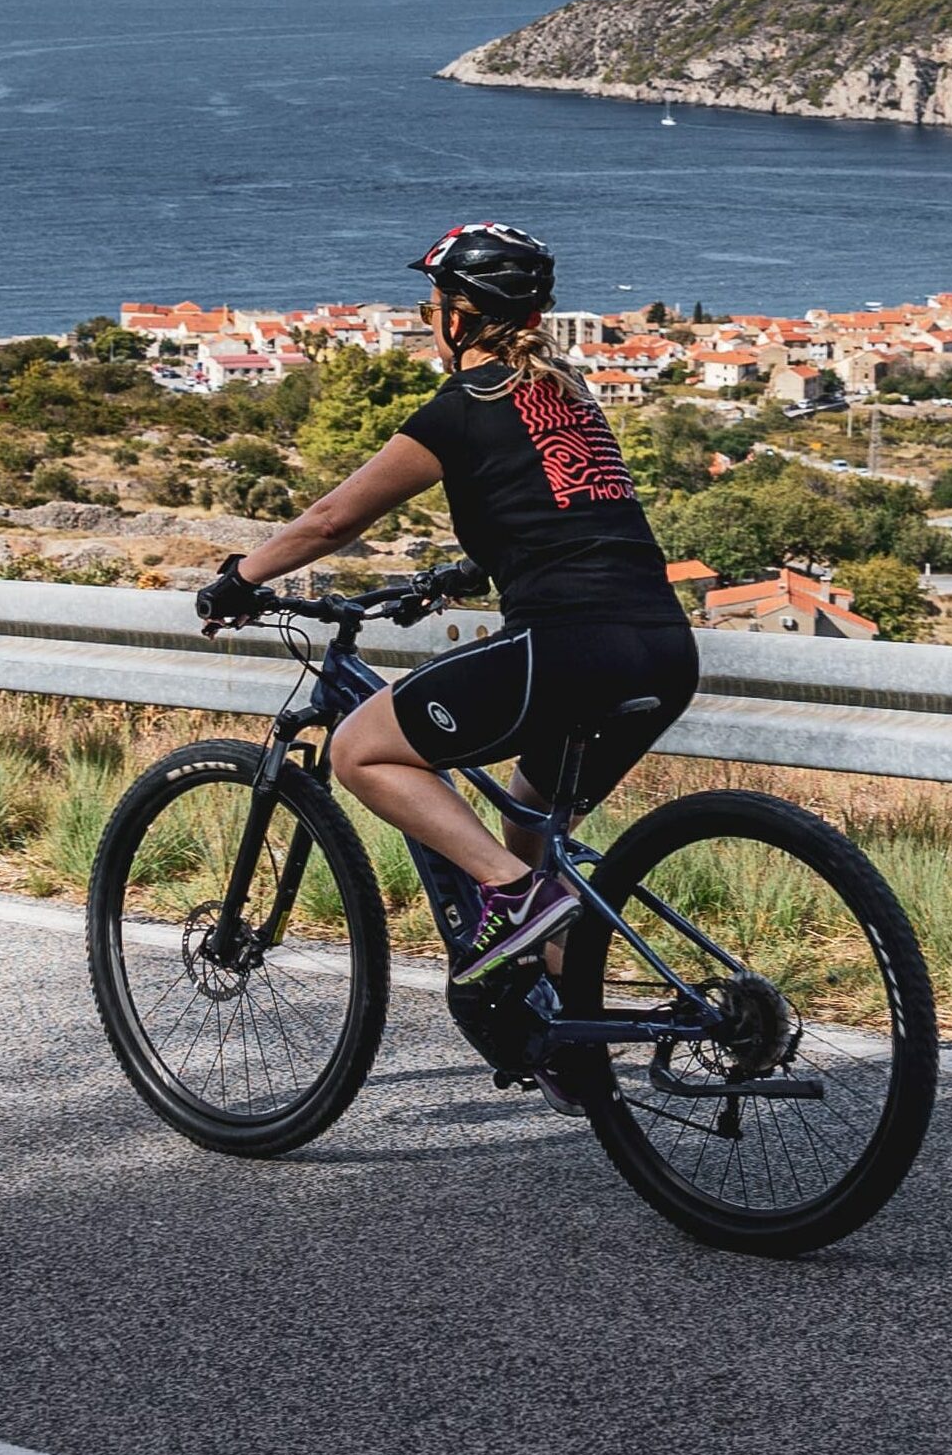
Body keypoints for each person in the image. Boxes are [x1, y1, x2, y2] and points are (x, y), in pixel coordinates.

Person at [193, 222, 698, 986]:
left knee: (359, 751)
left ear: (458, 318)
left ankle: (515, 898)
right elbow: (563, 513)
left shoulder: (462, 405)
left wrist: (241, 577)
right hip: (663, 646)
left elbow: (335, 519)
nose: (430, 321)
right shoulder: (567, 394)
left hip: (566, 648)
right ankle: (566, 1029)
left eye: (431, 307)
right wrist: (468, 570)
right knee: (529, 819)